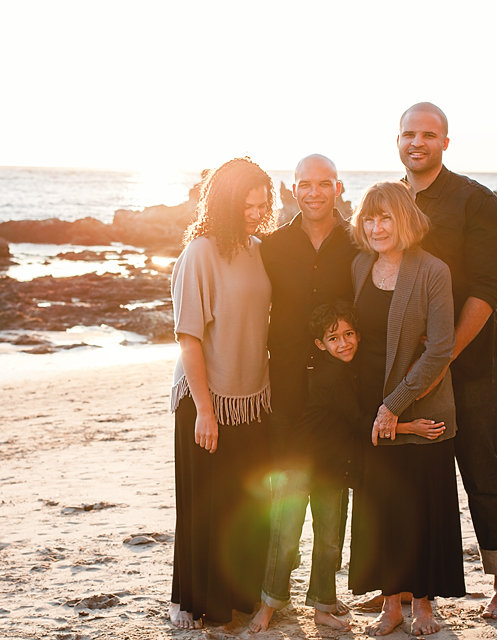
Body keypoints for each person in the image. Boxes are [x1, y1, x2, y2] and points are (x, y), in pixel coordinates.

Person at [398, 102, 497, 619]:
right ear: (397, 140)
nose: (417, 142)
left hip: (469, 365)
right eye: (408, 134)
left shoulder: (476, 200)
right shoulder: (388, 200)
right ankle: (407, 586)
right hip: (406, 369)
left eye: (428, 134)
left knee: (480, 467)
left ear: (445, 142)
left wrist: (444, 356)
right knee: (411, 477)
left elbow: (488, 289)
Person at [348, 180, 464, 636]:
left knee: (421, 505)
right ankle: (391, 606)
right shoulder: (360, 266)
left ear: (405, 220)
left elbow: (440, 348)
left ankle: (424, 607)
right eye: (369, 219)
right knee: (382, 508)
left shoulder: (433, 271)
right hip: (371, 406)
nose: (377, 228)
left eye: (386, 218)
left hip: (422, 404)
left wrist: (394, 406)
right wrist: (373, 409)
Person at [249, 154, 359, 632]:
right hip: (289, 390)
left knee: (333, 505)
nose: (313, 192)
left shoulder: (358, 242)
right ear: (292, 190)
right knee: (286, 502)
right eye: (304, 185)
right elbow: (248, 303)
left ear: (337, 187)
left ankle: (322, 599)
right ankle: (271, 599)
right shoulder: (271, 246)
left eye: (323, 184)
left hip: (339, 393)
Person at [168, 157, 277, 629]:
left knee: (244, 504)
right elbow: (188, 337)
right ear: (227, 204)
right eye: (248, 206)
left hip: (252, 397)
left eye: (263, 204)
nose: (256, 213)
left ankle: (238, 592)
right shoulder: (199, 253)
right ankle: (190, 599)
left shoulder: (259, 248)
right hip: (205, 396)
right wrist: (206, 412)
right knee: (204, 503)